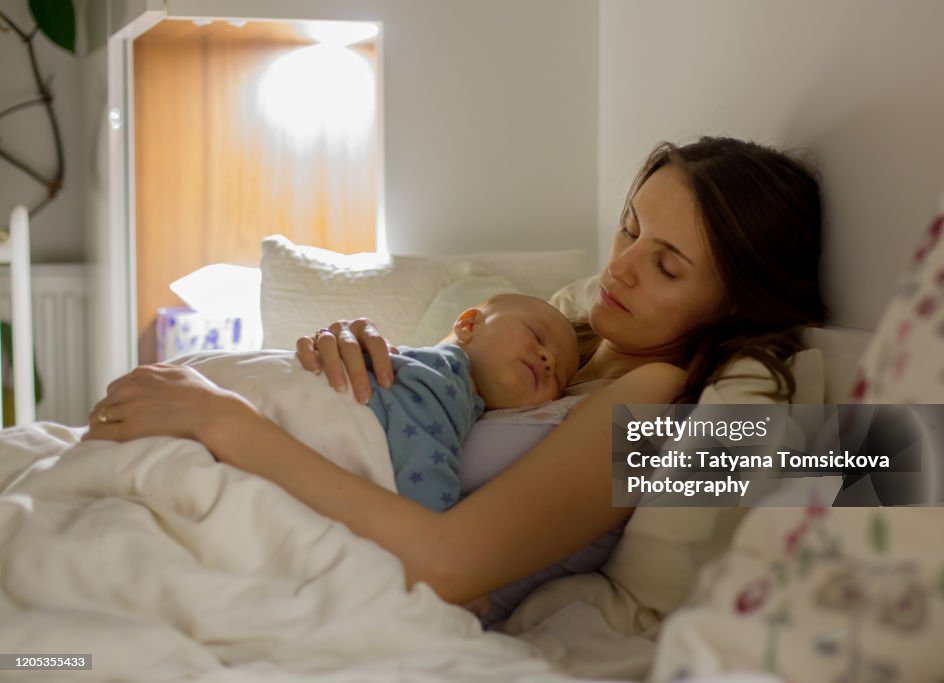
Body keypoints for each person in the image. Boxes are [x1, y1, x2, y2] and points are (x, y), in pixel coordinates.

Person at [86, 136, 825, 611]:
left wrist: (224, 420)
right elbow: (419, 399)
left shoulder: (653, 399)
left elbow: (447, 561)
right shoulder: (558, 338)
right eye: (630, 227)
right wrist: (358, 350)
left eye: (666, 264)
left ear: (733, 303)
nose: (620, 268)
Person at [340, 292, 579, 511]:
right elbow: (420, 460)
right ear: (468, 325)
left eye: (558, 379)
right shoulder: (445, 374)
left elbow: (618, 499)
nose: (549, 360)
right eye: (536, 335)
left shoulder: (617, 403)